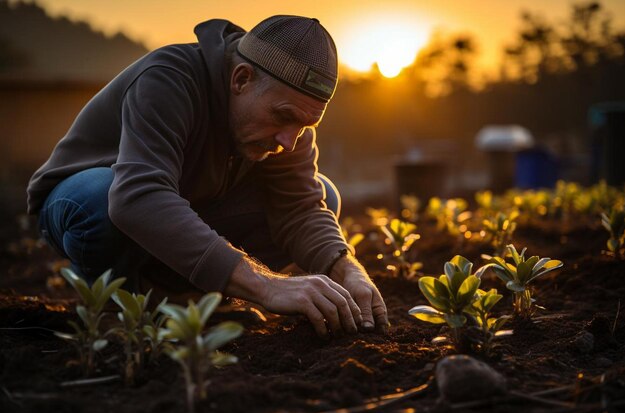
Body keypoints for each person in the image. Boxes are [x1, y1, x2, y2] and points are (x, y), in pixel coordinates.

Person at [26, 15, 388, 339]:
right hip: (83, 203)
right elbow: (138, 197)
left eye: (305, 125)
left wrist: (346, 268)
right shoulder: (168, 80)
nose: (288, 140)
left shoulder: (288, 126)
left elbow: (301, 209)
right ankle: (114, 306)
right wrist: (266, 287)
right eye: (283, 117)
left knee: (324, 194)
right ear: (241, 79)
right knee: (102, 197)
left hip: (181, 214)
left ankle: (185, 301)